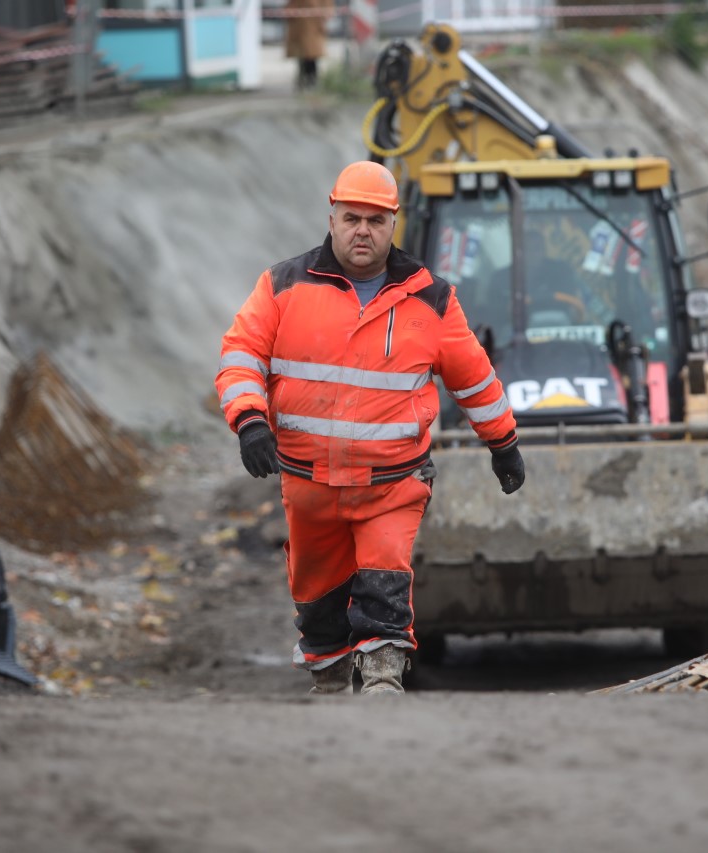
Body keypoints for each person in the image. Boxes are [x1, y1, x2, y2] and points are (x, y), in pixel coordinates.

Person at [214, 160, 526, 696]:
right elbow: (241, 355)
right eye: (352, 218)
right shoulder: (282, 286)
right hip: (308, 487)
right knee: (318, 612)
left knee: (385, 591)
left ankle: (384, 682)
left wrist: (503, 442)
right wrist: (248, 420)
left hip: (392, 486)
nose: (363, 230)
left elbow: (475, 379)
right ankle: (332, 685)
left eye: (375, 221)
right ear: (332, 218)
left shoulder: (431, 301)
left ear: (393, 225)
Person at [284, 0, 333, 90]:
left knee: (311, 55)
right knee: (302, 55)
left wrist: (324, 15)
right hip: (300, 27)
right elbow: (290, 7)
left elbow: (328, 7)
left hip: (313, 26)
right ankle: (304, 79)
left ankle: (311, 79)